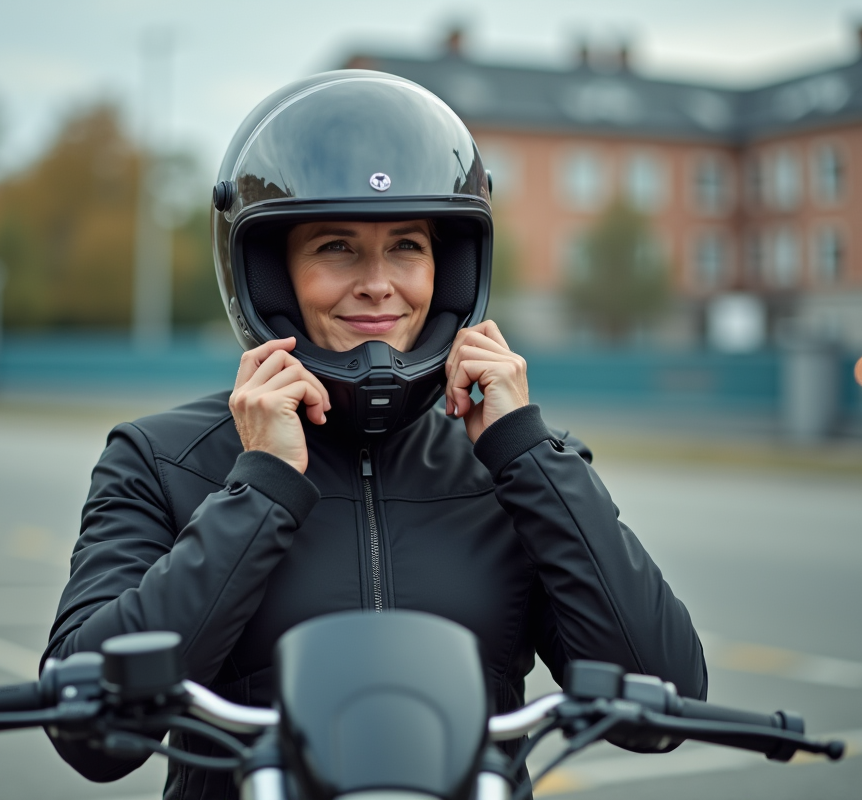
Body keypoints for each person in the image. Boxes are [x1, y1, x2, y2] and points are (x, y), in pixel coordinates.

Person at [43, 70, 706, 800]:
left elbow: (664, 701)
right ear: (270, 275)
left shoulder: (518, 465)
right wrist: (259, 487)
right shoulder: (160, 459)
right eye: (336, 246)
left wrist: (524, 453)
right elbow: (89, 736)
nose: (379, 283)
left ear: (447, 269)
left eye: (406, 247)